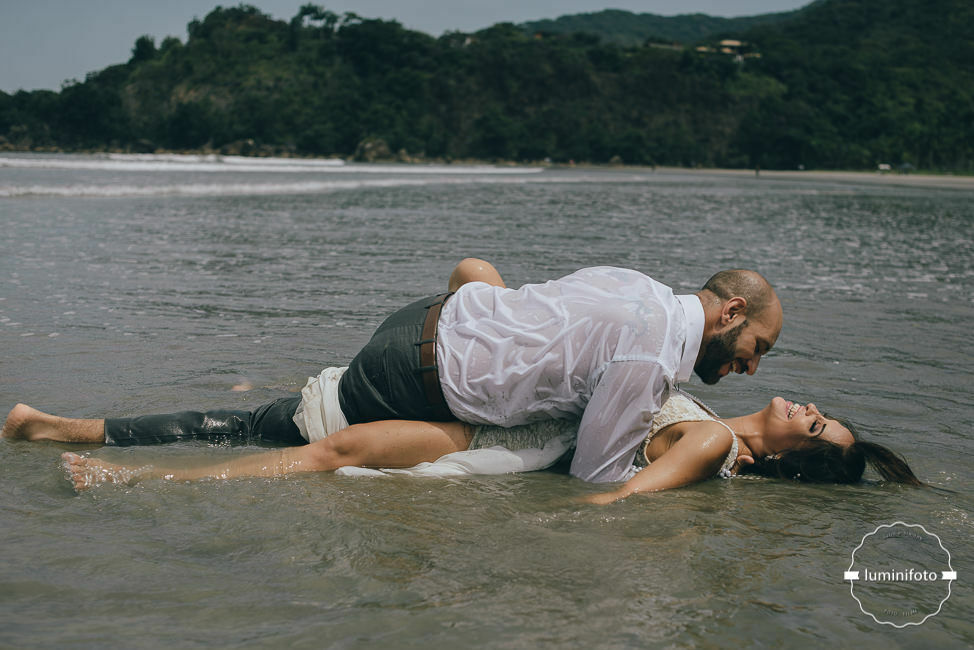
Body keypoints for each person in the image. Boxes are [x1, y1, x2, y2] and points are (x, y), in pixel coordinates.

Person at [3, 258, 783, 484]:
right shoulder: (657, 351)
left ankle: (56, 426)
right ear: (731, 313)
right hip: (420, 375)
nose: (751, 369)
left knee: (270, 420)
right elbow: (595, 473)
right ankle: (103, 455)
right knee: (281, 433)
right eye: (759, 348)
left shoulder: (639, 286)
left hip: (425, 321)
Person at [5, 388, 921, 498]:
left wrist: (557, 529)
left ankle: (138, 481)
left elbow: (626, 498)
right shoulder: (713, 419)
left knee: (332, 450)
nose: (807, 406)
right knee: (295, 425)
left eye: (815, 425)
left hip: (503, 440)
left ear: (789, 456)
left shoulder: (716, 443)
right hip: (508, 417)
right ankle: (57, 429)